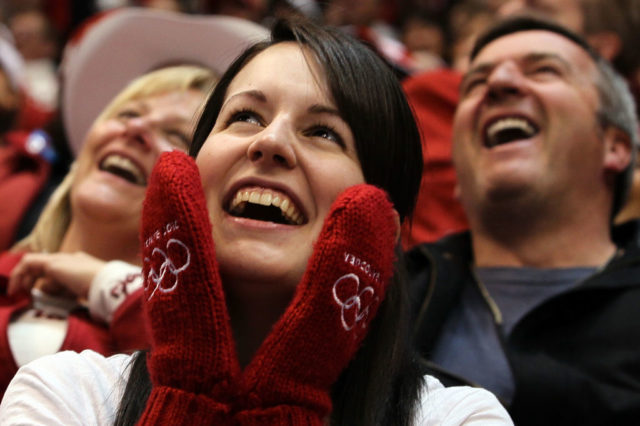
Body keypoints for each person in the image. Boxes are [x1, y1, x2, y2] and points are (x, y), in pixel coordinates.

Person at [0, 17, 513, 425]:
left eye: (324, 132)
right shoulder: (65, 394)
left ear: (388, 229)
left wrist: (293, 396)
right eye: (245, 116)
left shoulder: (459, 417)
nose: (269, 142)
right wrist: (188, 387)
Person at [0, 8, 269, 398]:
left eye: (175, 134)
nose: (136, 129)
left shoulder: (207, 342)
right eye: (127, 113)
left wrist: (108, 285)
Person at [407, 16, 640, 425]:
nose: (498, 83)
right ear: (458, 174)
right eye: (476, 83)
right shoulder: (382, 297)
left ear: (616, 146)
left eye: (544, 70)